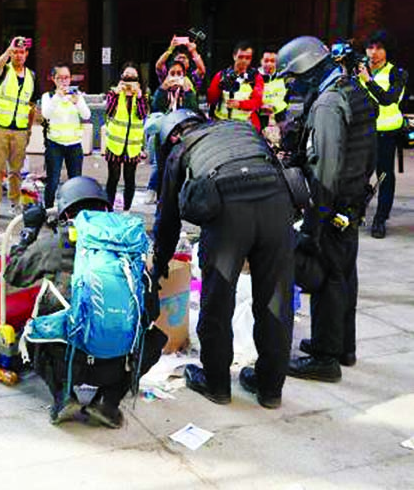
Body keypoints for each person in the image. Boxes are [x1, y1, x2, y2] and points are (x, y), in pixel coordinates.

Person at [152, 109, 295, 409]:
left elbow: (167, 219)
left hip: (229, 212)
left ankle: (216, 384)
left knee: (218, 300)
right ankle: (271, 389)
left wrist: (160, 263)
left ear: (173, 135)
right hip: (276, 203)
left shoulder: (181, 150)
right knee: (275, 301)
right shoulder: (239, 128)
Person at [5, 177, 166, 427]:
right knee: (155, 337)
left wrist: (29, 231)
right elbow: (152, 310)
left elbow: (14, 273)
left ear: (65, 211)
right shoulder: (130, 247)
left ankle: (63, 397)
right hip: (118, 363)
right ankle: (107, 403)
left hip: (68, 361)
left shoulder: (59, 243)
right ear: (105, 208)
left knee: (30, 329)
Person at [276, 36, 377, 382]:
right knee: (345, 274)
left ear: (307, 68)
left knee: (328, 278)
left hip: (334, 205)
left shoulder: (328, 104)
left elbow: (325, 170)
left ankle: (324, 358)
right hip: (352, 201)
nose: (294, 86)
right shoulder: (353, 89)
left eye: (294, 77)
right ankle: (342, 347)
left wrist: (313, 225)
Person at [358, 30, 408, 239]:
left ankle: (380, 219)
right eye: (370, 47)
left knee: (384, 177)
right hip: (361, 131)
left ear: (387, 51)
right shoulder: (358, 70)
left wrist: (368, 80)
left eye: (379, 48)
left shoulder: (397, 73)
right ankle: (355, 212)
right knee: (357, 175)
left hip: (387, 133)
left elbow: (388, 99)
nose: (374, 52)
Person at [0, 37, 41, 220]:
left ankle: (15, 203)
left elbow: (31, 106)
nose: (18, 55)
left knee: (16, 171)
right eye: (15, 52)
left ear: (26, 54)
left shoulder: (32, 76)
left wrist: (29, 129)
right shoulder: (5, 70)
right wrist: (8, 50)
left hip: (19, 130)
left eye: (21, 52)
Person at [148, 60, 200, 203]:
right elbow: (155, 109)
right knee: (162, 170)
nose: (176, 77)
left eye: (179, 74)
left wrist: (189, 92)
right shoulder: (163, 91)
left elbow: (193, 111)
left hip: (182, 138)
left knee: (180, 172)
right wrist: (162, 89)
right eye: (172, 73)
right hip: (164, 137)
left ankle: (178, 202)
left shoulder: (187, 91)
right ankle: (161, 202)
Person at [41, 64, 89, 207]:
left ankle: (73, 210)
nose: (64, 81)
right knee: (53, 180)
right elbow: (46, 114)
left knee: (75, 180)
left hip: (74, 144)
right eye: (60, 78)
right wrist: (58, 96)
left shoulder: (77, 96)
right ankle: (48, 210)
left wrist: (78, 102)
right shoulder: (48, 96)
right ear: (53, 79)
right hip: (54, 143)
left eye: (66, 77)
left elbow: (87, 115)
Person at [104, 63, 148, 212]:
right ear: (121, 78)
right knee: (113, 179)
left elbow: (142, 115)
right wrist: (116, 93)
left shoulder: (142, 95)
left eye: (133, 78)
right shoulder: (114, 93)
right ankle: (109, 209)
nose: (129, 81)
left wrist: (140, 96)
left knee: (130, 180)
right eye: (126, 77)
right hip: (115, 145)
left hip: (132, 146)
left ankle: (126, 210)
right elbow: (109, 112)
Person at [208, 41, 264, 131]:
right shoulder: (221, 75)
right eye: (240, 57)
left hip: (245, 124)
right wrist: (220, 86)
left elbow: (257, 102)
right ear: (234, 56)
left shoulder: (256, 77)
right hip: (222, 122)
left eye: (248, 58)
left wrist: (239, 104)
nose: (244, 61)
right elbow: (211, 99)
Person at [258, 48, 289, 130]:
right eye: (266, 61)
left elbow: (288, 100)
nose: (269, 64)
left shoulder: (285, 78)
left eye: (272, 61)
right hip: (259, 121)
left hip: (280, 120)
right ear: (261, 61)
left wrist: (274, 108)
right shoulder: (252, 79)